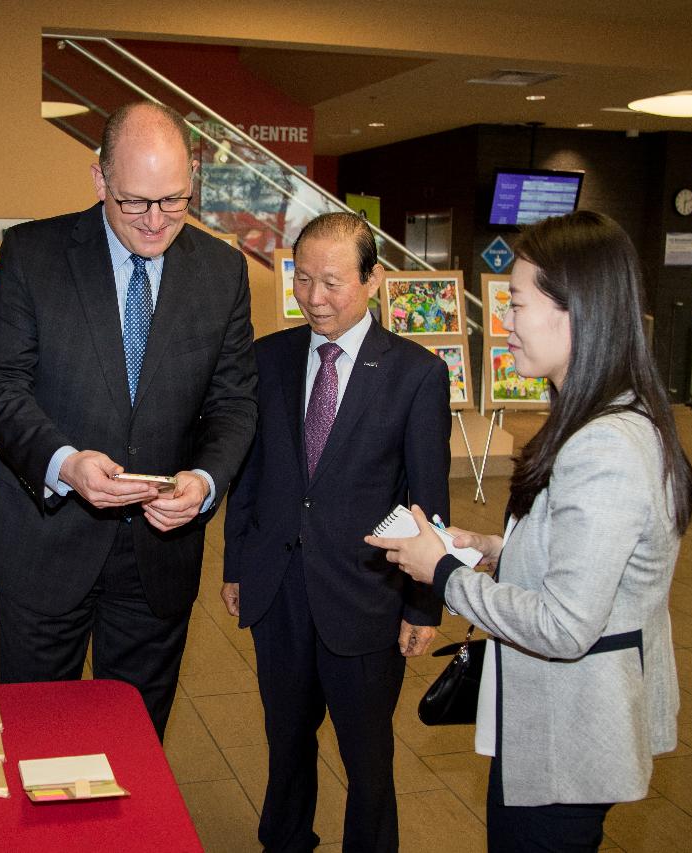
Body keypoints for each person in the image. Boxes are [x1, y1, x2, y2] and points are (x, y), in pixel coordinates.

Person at [366, 210, 692, 852]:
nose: (505, 322)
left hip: (571, 738)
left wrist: (442, 571)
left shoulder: (606, 445)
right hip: (558, 729)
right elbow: (584, 554)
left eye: (517, 303)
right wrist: (493, 548)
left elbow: (565, 625)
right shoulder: (598, 419)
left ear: (577, 310)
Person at [0, 101, 258, 740]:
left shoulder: (221, 270)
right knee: (36, 739)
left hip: (158, 550)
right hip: (46, 543)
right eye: (134, 203)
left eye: (174, 201)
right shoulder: (33, 253)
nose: (155, 222)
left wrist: (206, 483)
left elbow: (235, 401)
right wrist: (63, 463)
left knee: (134, 745)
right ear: (99, 180)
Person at [222, 211, 450, 853]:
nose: (314, 299)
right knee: (285, 744)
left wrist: (422, 604)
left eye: (332, 283)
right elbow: (251, 473)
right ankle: (286, 841)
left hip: (365, 600)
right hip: (280, 592)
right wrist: (236, 565)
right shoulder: (269, 358)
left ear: (374, 279)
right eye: (302, 280)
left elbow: (427, 502)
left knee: (368, 763)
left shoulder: (415, 374)